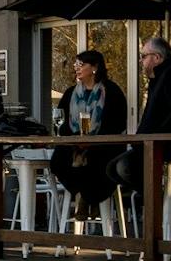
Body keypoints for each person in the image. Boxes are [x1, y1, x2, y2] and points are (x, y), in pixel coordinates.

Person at [51, 49, 128, 208]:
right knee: (58, 160)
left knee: (96, 161)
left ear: (95, 68)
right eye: (75, 64)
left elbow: (118, 124)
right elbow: (62, 122)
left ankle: (88, 200)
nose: (76, 67)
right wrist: (76, 140)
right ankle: (80, 196)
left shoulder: (111, 91)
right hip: (74, 144)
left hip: (103, 146)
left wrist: (91, 141)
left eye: (81, 64)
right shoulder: (70, 93)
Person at [108, 36, 171, 195]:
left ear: (157, 58)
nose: (140, 61)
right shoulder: (157, 80)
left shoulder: (170, 76)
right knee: (112, 168)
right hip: (146, 144)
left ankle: (156, 199)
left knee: (123, 167)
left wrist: (157, 136)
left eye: (144, 56)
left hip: (160, 146)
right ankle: (151, 198)